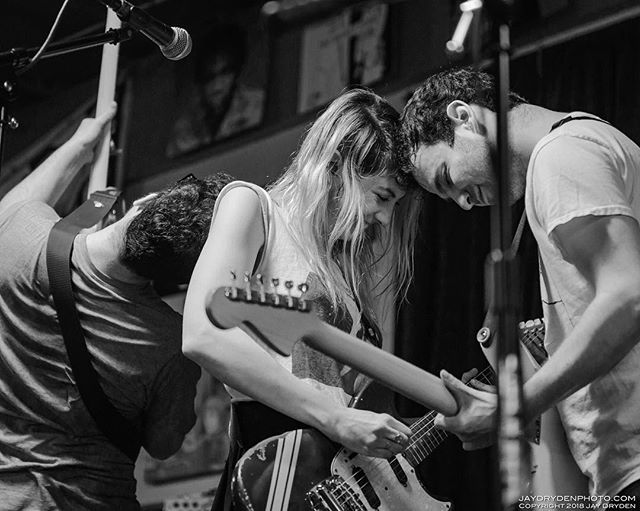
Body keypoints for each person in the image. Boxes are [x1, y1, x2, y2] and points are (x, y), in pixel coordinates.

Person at [401, 67, 640, 499]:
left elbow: (628, 296)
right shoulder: (580, 147)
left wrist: (511, 409)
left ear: (463, 117)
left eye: (447, 179)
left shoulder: (561, 156)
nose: (463, 203)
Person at [182, 88, 423, 510]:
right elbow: (203, 333)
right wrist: (335, 417)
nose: (386, 218)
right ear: (337, 166)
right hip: (273, 464)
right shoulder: (254, 207)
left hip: (334, 478)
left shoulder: (348, 267)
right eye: (382, 196)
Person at [0, 102, 234, 510]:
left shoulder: (20, 237)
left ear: (142, 203)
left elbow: (12, 207)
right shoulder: (170, 345)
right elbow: (164, 446)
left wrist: (80, 145)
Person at [166, 24, 265, 157]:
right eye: (209, 77)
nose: (217, 85)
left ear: (236, 72)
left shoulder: (257, 105)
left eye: (224, 72)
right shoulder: (185, 127)